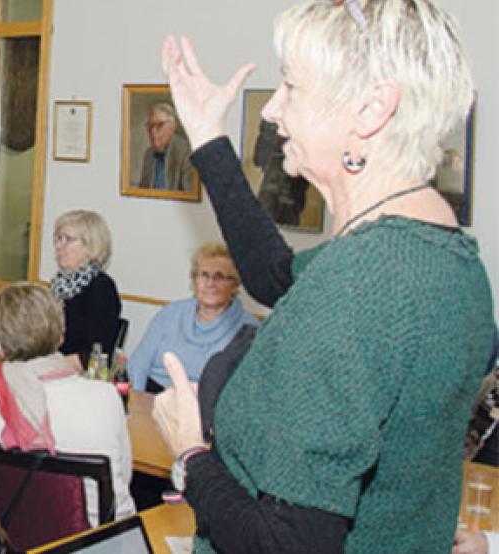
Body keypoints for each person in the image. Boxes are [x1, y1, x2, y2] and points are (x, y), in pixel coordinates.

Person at [151, 1, 496, 552]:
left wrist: (191, 455)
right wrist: (209, 137)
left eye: (291, 86)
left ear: (370, 109)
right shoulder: (446, 258)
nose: (272, 111)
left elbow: (289, 542)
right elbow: (277, 277)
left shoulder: (360, 284)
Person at [0, 282, 135, 526]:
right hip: (101, 540)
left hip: (18, 534)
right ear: (60, 336)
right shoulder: (106, 398)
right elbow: (123, 477)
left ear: (0, 346)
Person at [129, 243, 258, 391]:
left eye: (219, 277)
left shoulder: (248, 329)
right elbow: (138, 364)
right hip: (152, 397)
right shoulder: (171, 313)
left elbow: (245, 388)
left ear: (235, 284)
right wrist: (138, 401)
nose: (210, 283)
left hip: (205, 407)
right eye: (204, 275)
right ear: (194, 280)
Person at [49, 209, 120, 367]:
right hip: (50, 367)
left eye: (67, 239)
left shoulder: (101, 288)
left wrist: (49, 365)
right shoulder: (57, 285)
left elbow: (97, 353)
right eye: (58, 238)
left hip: (78, 375)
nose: (59, 246)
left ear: (91, 246)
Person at [137, 102, 196, 191]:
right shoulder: (149, 154)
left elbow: (189, 198)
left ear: (172, 127)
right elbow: (142, 191)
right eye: (150, 126)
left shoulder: (186, 153)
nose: (153, 131)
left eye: (159, 125)